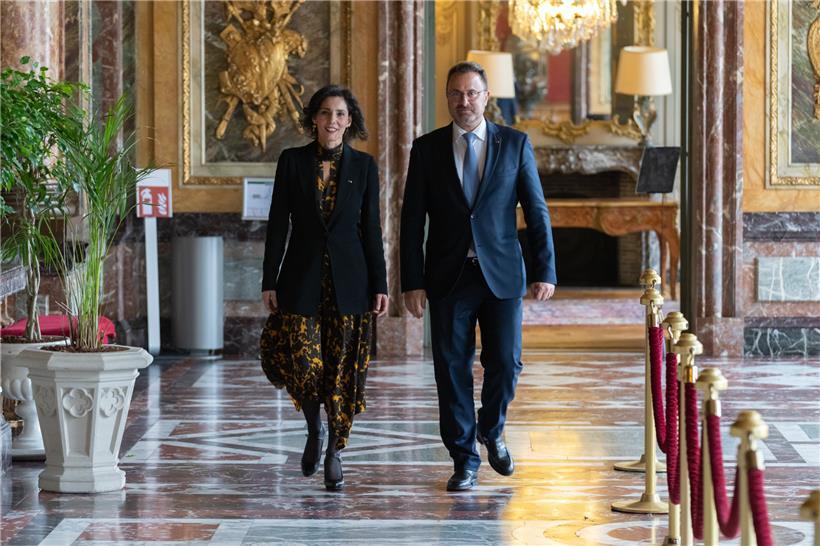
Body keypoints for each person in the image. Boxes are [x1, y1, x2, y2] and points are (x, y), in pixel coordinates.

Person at [400, 62, 556, 491]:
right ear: (447, 97)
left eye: (472, 93)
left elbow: (536, 210)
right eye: (455, 93)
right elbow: (411, 220)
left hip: (502, 274)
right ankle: (464, 459)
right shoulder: (427, 149)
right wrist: (412, 280)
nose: (464, 101)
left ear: (487, 97)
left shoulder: (515, 144)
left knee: (506, 362)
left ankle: (492, 428)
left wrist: (545, 269)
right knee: (451, 368)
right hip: (448, 276)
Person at [260, 85, 388, 491]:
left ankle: (334, 448)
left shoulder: (364, 166)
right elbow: (277, 224)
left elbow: (371, 230)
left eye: (340, 114)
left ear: (350, 121)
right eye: (325, 113)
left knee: (341, 370)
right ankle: (313, 428)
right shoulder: (291, 161)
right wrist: (269, 280)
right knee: (305, 365)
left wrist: (381, 283)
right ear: (313, 118)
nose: (332, 120)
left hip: (352, 283)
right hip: (301, 278)